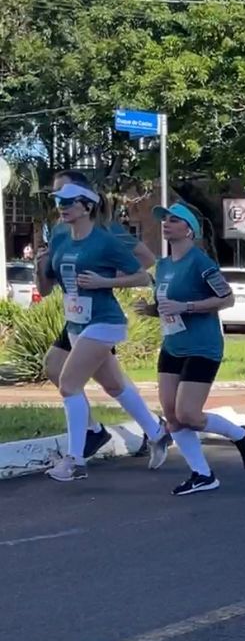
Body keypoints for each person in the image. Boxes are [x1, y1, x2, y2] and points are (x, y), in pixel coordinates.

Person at [38, 171, 170, 465]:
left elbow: (146, 261)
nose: (60, 201)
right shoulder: (61, 231)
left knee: (74, 378)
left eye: (65, 194)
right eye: (57, 195)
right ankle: (147, 430)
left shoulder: (106, 230)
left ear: (84, 198)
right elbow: (48, 283)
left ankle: (87, 441)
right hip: (75, 314)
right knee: (91, 377)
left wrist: (105, 279)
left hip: (99, 314)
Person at [136, 203, 245, 495]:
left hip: (202, 346)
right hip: (173, 345)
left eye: (174, 220)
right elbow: (169, 306)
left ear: (189, 229)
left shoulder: (200, 262)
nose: (166, 224)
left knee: (190, 414)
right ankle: (202, 474)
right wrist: (151, 310)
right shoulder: (164, 265)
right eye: (165, 220)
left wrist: (187, 306)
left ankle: (242, 435)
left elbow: (227, 298)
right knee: (173, 414)